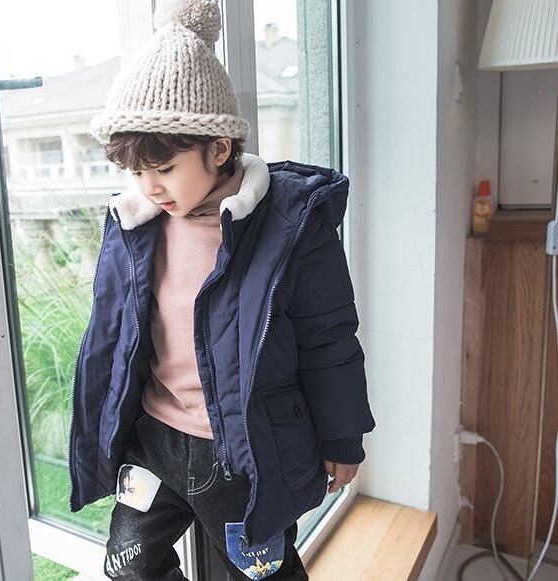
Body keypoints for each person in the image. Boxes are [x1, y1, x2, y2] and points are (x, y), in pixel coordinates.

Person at [67, 0, 376, 578]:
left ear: (218, 148)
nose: (149, 187)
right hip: (155, 439)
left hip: (242, 454)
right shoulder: (136, 225)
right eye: (136, 171)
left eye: (164, 168)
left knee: (260, 574)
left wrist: (342, 437)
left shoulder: (290, 228)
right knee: (128, 566)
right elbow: (114, 335)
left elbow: (329, 339)